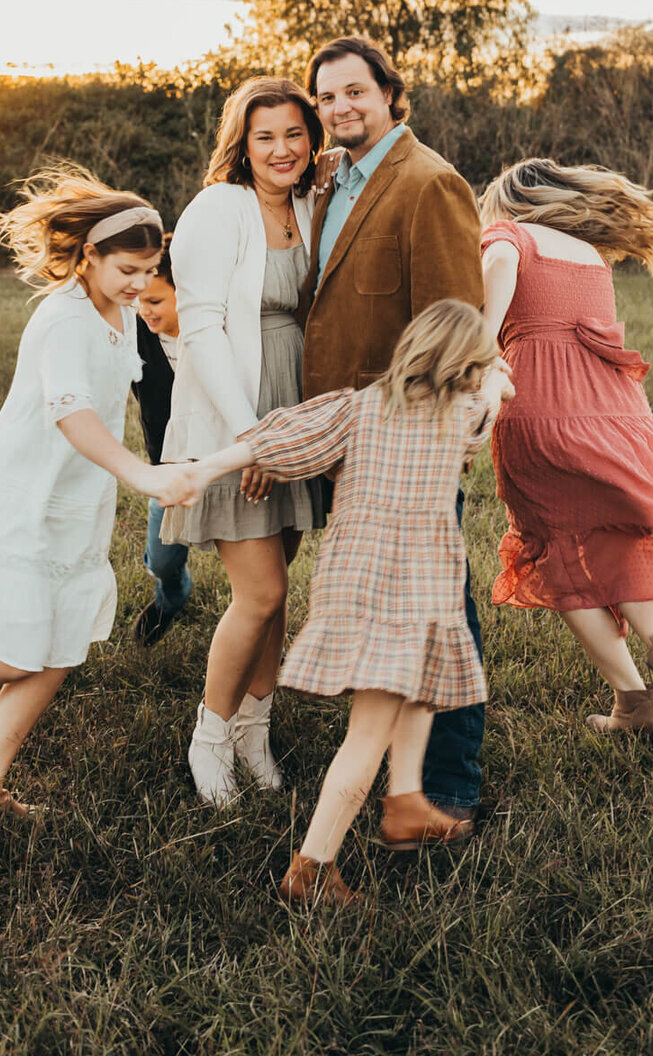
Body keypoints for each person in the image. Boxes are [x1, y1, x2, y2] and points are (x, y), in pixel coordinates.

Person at [189, 301, 514, 906]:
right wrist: (496, 373)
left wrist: (205, 467)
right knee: (368, 735)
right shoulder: (468, 412)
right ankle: (312, 869)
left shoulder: (359, 407)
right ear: (469, 365)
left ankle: (406, 799)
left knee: (423, 685)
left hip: (361, 580)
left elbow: (282, 439)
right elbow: (498, 390)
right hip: (412, 585)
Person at [0, 167, 198, 814]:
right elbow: (71, 410)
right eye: (128, 270)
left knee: (60, 645)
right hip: (21, 486)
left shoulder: (119, 308)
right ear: (89, 254)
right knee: (18, 645)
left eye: (150, 271)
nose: (141, 285)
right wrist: (141, 475)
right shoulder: (64, 319)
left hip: (74, 494)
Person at [480, 158, 653, 742]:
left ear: (510, 202)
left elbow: (487, 320)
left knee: (554, 551)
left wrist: (475, 350)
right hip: (618, 412)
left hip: (540, 411)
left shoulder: (506, 236)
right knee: (622, 540)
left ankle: (634, 702)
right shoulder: (590, 256)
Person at [294, 35, 487, 821]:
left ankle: (447, 778)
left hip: (408, 441)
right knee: (384, 602)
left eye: (354, 92)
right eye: (327, 97)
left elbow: (459, 324)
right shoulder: (332, 180)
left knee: (441, 605)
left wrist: (444, 440)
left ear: (389, 94)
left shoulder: (429, 183)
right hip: (344, 433)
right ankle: (382, 756)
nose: (340, 107)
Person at [159, 76, 326, 805]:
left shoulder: (311, 207)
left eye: (294, 133)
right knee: (258, 592)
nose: (282, 149)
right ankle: (209, 736)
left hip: (297, 409)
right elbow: (197, 327)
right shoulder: (217, 208)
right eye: (266, 137)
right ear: (242, 143)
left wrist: (294, 433)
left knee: (279, 589)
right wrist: (248, 438)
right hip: (236, 410)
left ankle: (257, 731)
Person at [130, 235, 193, 646]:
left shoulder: (212, 331)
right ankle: (172, 595)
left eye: (155, 301)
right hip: (167, 468)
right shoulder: (134, 333)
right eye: (139, 300)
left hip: (221, 458)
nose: (144, 311)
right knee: (163, 559)